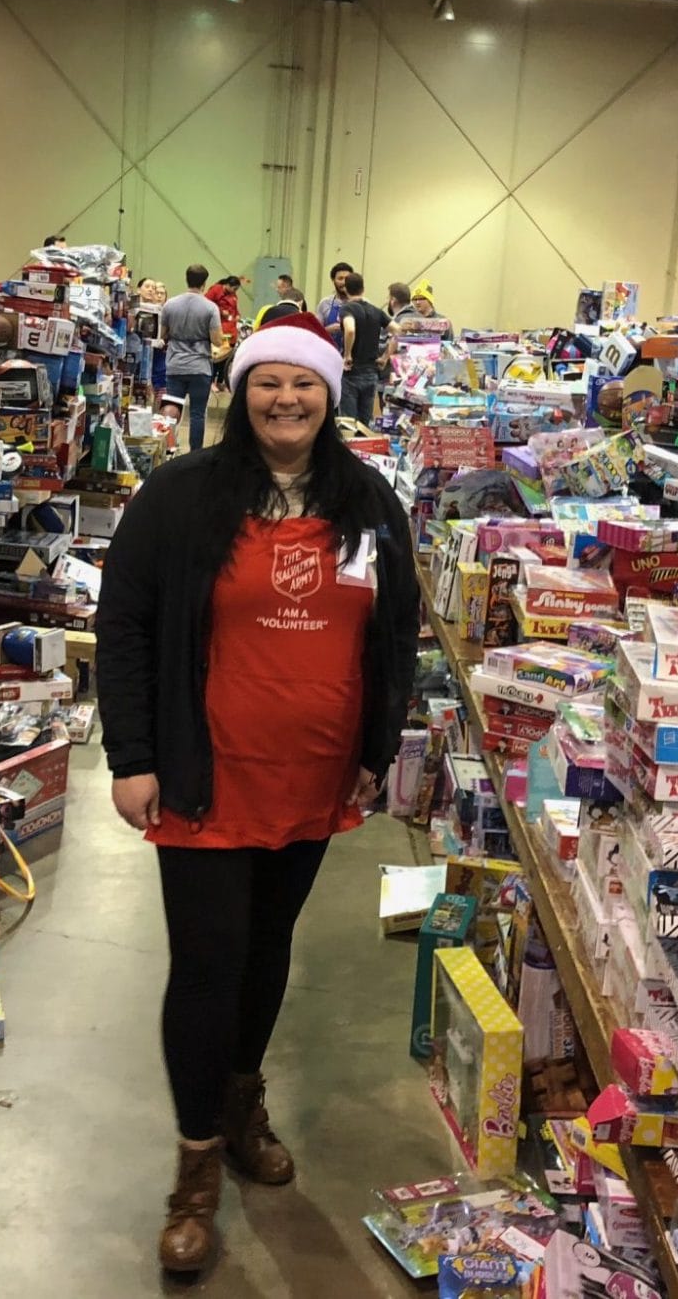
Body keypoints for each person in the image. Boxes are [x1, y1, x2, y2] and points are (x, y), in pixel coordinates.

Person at [98, 312, 419, 1275]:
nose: (286, 400)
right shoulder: (181, 497)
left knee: (267, 950)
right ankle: (196, 1166)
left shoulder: (368, 501)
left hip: (314, 775)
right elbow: (126, 630)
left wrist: (379, 745)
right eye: (268, 383)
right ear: (241, 393)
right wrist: (132, 758)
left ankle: (242, 1106)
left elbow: (393, 634)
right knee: (206, 963)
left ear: (330, 394)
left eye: (304, 384)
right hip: (206, 776)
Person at [162, 265, 228, 451]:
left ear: (186, 279)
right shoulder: (210, 308)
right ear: (205, 283)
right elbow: (216, 340)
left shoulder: (170, 304)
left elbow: (163, 334)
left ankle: (168, 448)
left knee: (172, 411)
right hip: (200, 367)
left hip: (175, 365)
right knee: (198, 413)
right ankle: (195, 452)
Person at [337, 271, 390, 423]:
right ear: (363, 288)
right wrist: (385, 356)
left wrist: (347, 355)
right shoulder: (377, 311)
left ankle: (350, 447)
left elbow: (350, 329)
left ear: (345, 289)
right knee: (365, 422)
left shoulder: (347, 309)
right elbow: (398, 331)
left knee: (348, 422)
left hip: (351, 373)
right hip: (371, 372)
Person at [316, 262, 354, 329]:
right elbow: (317, 332)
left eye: (347, 278)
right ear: (333, 280)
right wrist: (328, 330)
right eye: (340, 278)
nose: (344, 282)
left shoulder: (360, 303)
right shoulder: (325, 303)